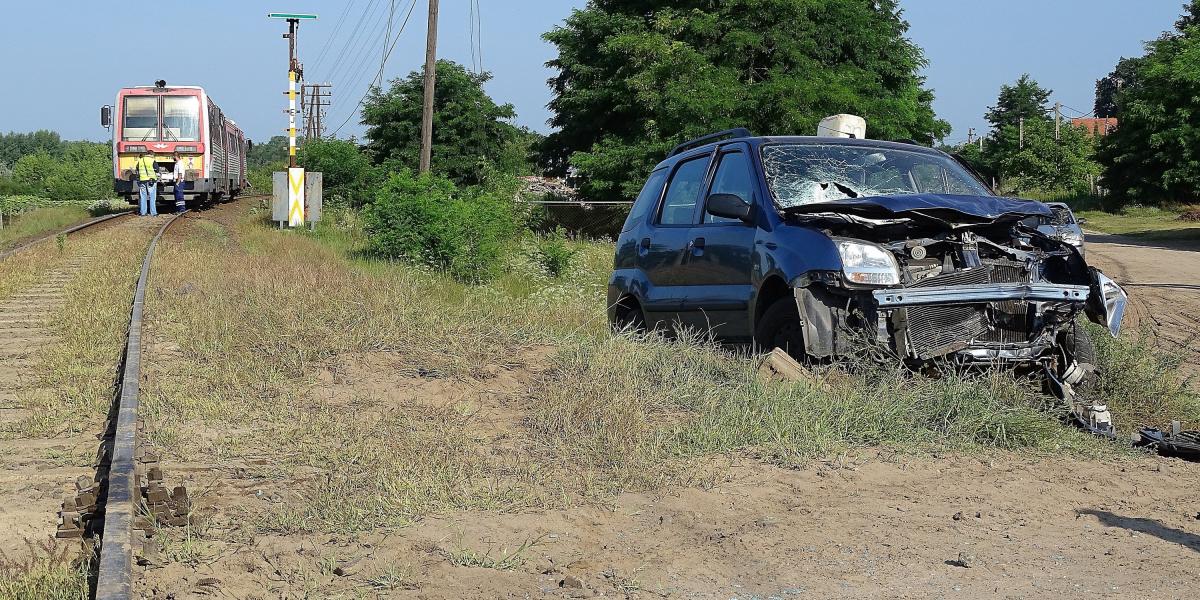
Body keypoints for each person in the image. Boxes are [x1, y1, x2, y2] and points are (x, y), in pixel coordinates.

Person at [134, 151, 159, 217]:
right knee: (152, 197)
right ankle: (153, 213)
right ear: (151, 155)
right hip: (151, 181)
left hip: (142, 180)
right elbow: (157, 170)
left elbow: (137, 170)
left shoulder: (140, 160)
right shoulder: (152, 160)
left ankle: (143, 212)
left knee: (143, 197)